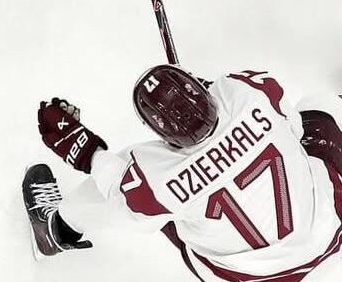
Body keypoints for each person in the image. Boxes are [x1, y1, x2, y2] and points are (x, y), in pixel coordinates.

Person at [25, 65, 342, 281]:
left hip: (247, 276)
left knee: (126, 197)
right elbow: (292, 125)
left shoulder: (154, 177)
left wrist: (88, 152)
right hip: (330, 233)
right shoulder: (248, 92)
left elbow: (120, 197)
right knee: (322, 108)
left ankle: (55, 231)